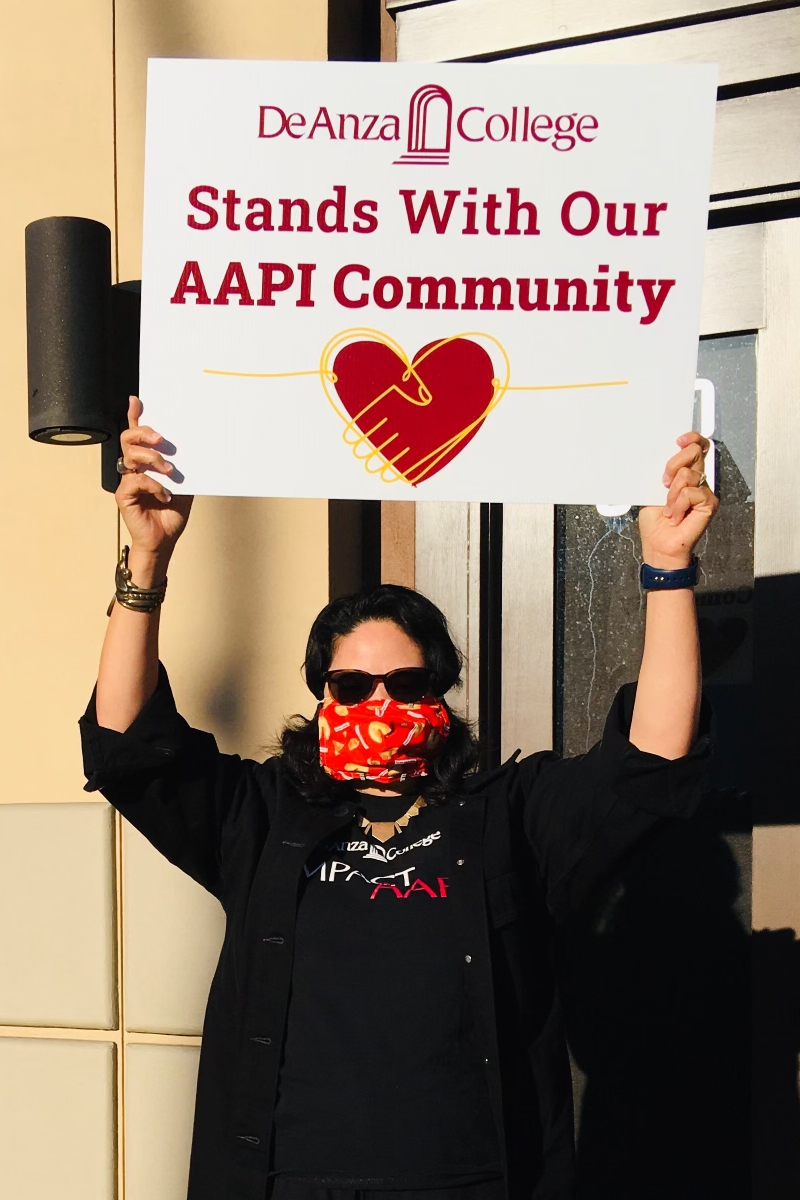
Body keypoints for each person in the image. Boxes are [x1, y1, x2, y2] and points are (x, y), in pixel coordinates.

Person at [80, 396, 718, 1200]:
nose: (380, 703)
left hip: (469, 1181)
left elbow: (652, 758)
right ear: (320, 697)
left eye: (408, 683)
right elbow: (128, 741)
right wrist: (147, 563)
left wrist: (667, 569)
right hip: (285, 1179)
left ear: (443, 694)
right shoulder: (261, 815)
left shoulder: (508, 815)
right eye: (352, 684)